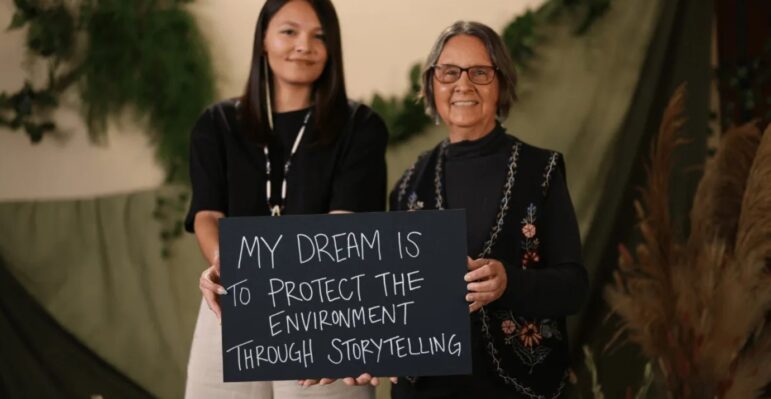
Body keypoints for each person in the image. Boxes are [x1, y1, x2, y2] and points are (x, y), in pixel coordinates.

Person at [183, 1, 388, 398]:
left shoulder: (361, 126)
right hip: (230, 298)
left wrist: (279, 284)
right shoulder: (217, 124)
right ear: (263, 40)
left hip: (325, 305)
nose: (304, 46)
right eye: (289, 31)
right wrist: (233, 272)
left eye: (319, 36)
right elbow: (207, 213)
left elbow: (344, 225)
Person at [388, 21, 588, 398]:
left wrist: (510, 282)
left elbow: (575, 288)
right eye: (448, 72)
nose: (463, 84)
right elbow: (395, 298)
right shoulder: (406, 185)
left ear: (501, 83)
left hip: (521, 388)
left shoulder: (540, 172)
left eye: (480, 72)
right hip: (427, 391)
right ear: (432, 84)